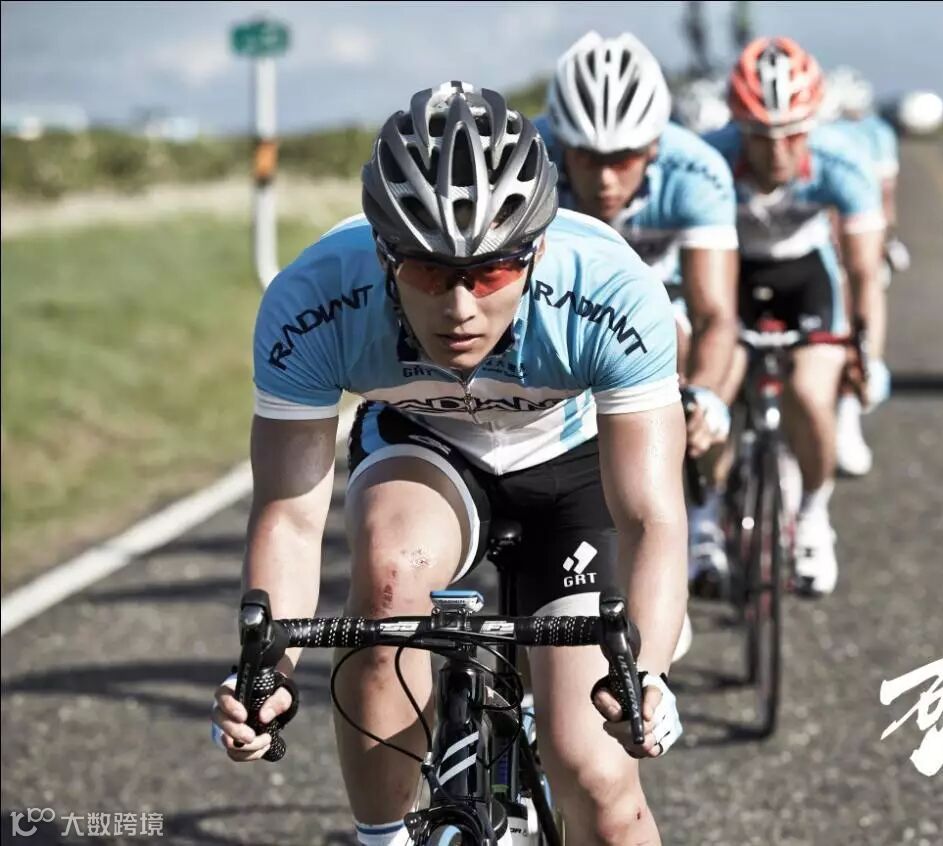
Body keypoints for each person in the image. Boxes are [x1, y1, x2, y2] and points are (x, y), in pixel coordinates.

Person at [210, 82, 687, 846]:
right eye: (429, 272)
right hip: (426, 449)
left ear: (535, 252)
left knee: (596, 778)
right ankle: (382, 835)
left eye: (491, 273)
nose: (460, 307)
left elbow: (651, 516)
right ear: (383, 254)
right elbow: (292, 519)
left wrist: (648, 672)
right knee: (387, 585)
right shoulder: (315, 299)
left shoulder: (609, 289)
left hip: (570, 466)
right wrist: (268, 672)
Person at [541, 31, 740, 607]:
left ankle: (686, 517)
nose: (605, 180)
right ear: (561, 143)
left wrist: (706, 395)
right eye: (587, 158)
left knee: (672, 343)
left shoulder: (696, 171)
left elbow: (715, 311)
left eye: (622, 160)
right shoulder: (526, 160)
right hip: (558, 299)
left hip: (661, 300)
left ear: (653, 147)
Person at [704, 37, 886, 596]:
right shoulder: (709, 160)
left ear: (814, 123)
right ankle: (704, 513)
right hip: (732, 275)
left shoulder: (842, 161)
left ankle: (813, 511)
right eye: (761, 136)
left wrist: (865, 355)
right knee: (713, 390)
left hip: (807, 278)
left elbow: (864, 274)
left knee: (809, 391)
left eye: (793, 133)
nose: (778, 151)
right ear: (738, 127)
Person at [821, 66, 907, 475]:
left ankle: (849, 410)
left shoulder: (875, 134)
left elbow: (883, 199)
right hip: (821, 238)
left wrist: (881, 241)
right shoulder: (827, 135)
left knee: (858, 307)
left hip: (853, 233)